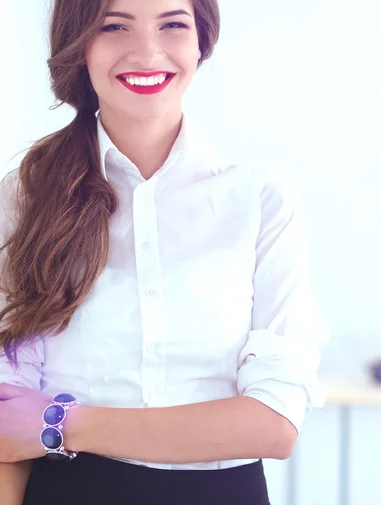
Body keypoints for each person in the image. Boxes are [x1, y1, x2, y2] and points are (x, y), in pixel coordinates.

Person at [0, 0, 329, 504]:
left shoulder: (260, 200)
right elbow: (5, 424)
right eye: (114, 26)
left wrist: (63, 423)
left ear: (202, 41)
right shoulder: (25, 197)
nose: (147, 52)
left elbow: (275, 423)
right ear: (79, 45)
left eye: (173, 24)